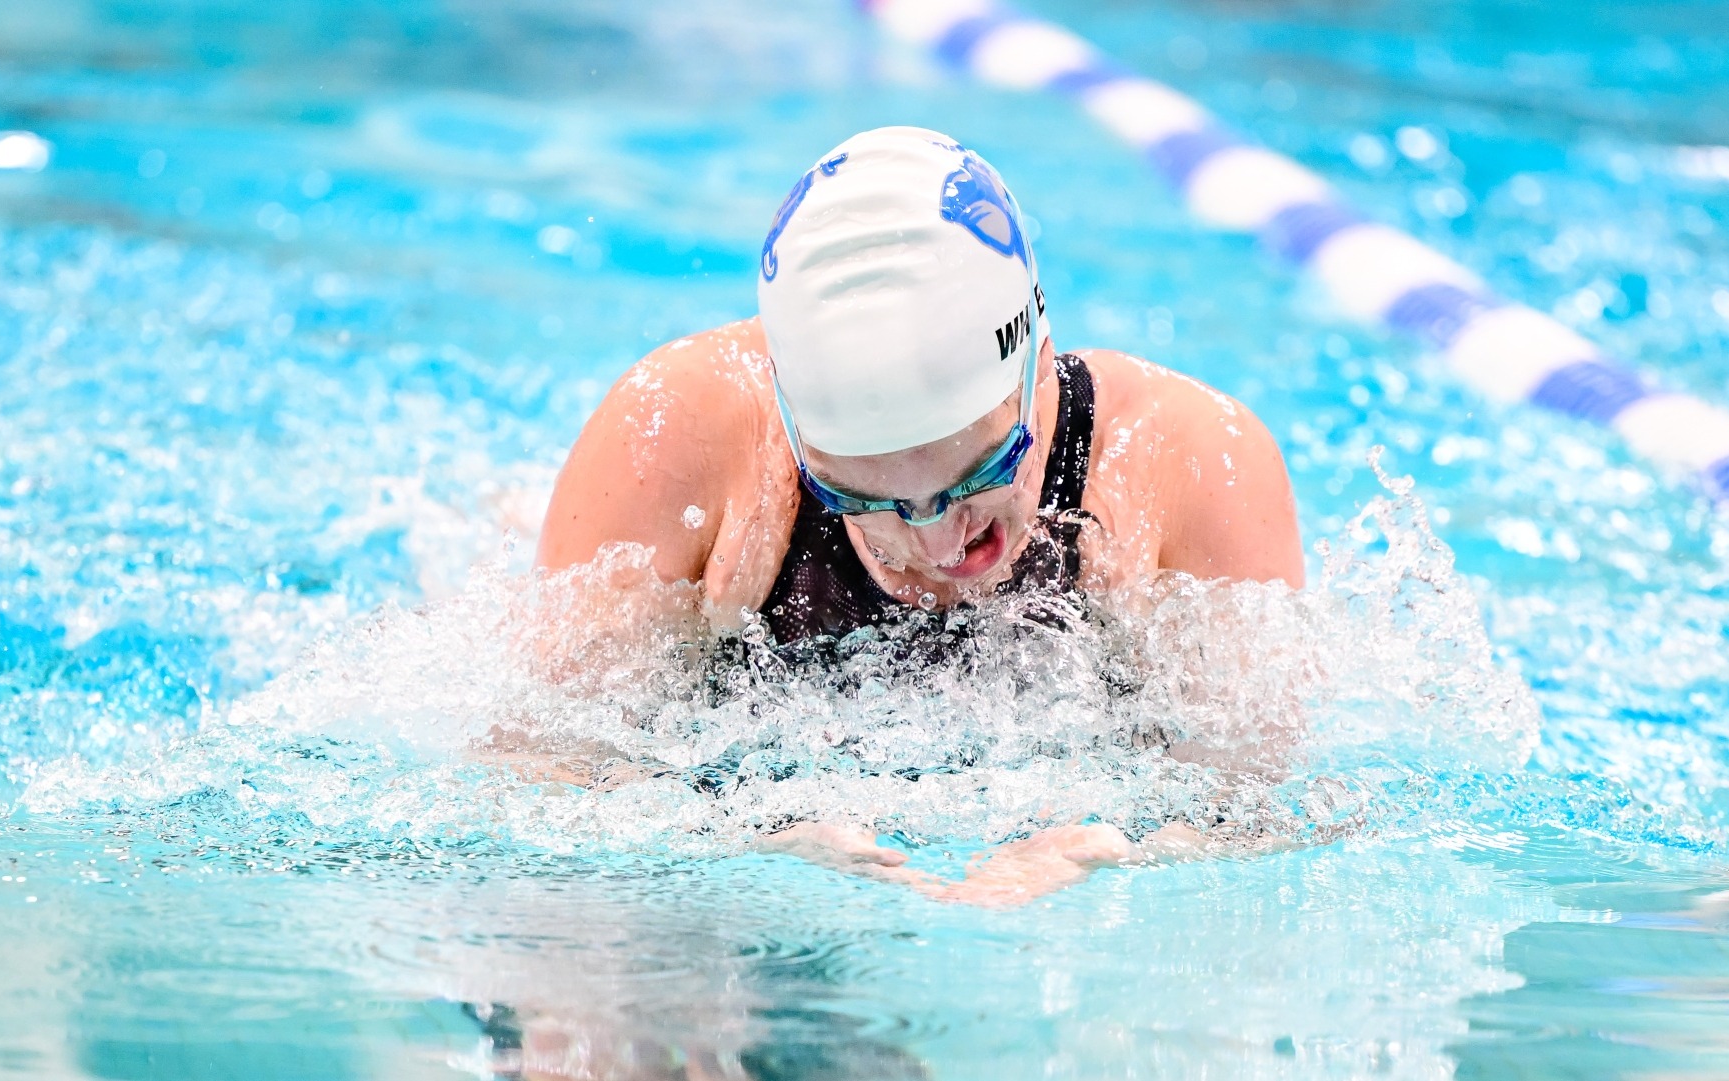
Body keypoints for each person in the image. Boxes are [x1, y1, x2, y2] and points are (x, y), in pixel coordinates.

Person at [532, 126, 1303, 905]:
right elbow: (535, 769)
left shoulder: (1190, 465)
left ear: (1037, 354)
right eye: (861, 498)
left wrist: (1133, 858)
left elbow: (1266, 815)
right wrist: (735, 849)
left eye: (983, 470)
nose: (938, 543)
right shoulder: (677, 439)